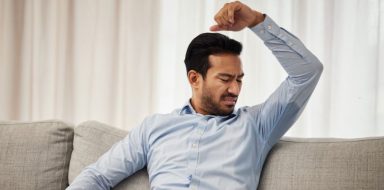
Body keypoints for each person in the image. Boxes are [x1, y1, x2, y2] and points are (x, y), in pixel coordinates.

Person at [67, 1, 323, 190]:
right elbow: (99, 176)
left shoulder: (256, 125)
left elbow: (308, 72)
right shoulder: (155, 127)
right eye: (225, 79)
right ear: (194, 78)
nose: (235, 89)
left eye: (239, 80)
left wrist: (257, 21)